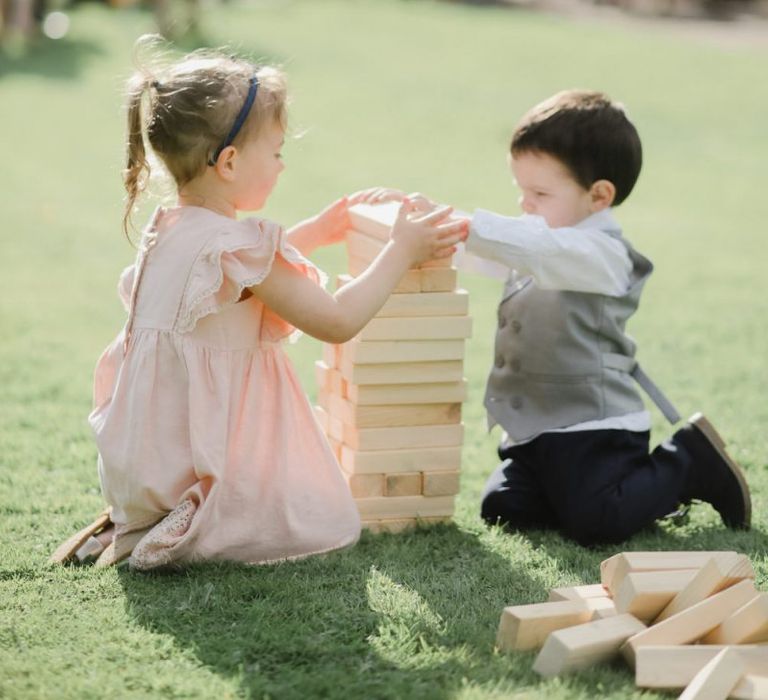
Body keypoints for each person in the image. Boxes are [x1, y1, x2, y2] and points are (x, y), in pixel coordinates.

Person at [50, 36, 467, 570]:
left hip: (144, 457)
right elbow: (336, 321)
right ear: (228, 162)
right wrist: (400, 250)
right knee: (330, 519)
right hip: (197, 455)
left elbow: (234, 284)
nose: (282, 165)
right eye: (275, 152)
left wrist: (314, 231)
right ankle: (197, 515)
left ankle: (154, 512)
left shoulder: (170, 231)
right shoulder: (235, 245)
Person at [370, 90, 751, 546]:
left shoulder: (601, 255)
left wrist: (465, 225)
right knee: (503, 509)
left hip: (596, 429)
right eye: (521, 192)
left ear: (599, 195)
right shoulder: (542, 239)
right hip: (536, 434)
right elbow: (495, 252)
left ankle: (688, 461)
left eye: (540, 193)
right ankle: (589, 492)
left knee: (597, 522)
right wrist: (424, 224)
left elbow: (540, 251)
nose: (525, 205)